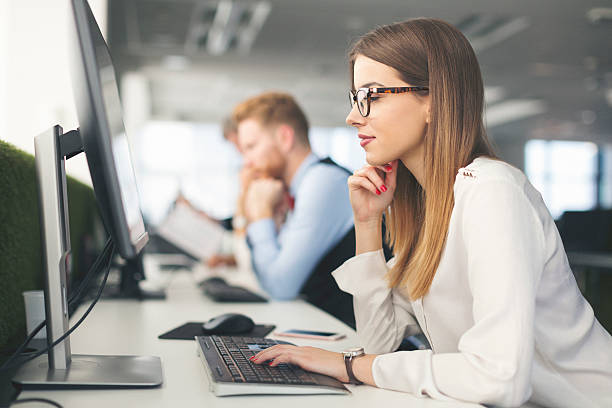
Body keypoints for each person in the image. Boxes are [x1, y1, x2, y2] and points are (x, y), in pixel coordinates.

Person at [250, 18, 612, 408]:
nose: (353, 117)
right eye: (355, 98)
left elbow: (498, 378)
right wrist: (367, 223)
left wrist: (349, 365)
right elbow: (379, 344)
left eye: (372, 95)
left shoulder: (492, 192)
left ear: (434, 101)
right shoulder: (427, 204)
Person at [233, 91, 356, 324]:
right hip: (330, 329)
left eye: (251, 146)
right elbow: (266, 279)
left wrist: (260, 214)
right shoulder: (292, 190)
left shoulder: (322, 182)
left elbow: (280, 286)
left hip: (361, 344)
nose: (247, 161)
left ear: (285, 138)